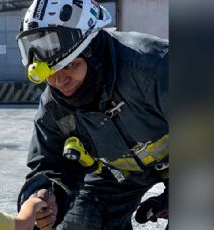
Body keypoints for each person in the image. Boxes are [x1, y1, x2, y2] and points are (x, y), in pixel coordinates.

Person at [15, 0, 168, 229]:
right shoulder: (53, 106)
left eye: (70, 65)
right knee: (81, 222)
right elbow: (49, 165)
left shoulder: (155, 68)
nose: (59, 82)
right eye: (50, 71)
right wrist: (46, 195)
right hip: (118, 175)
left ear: (94, 50)